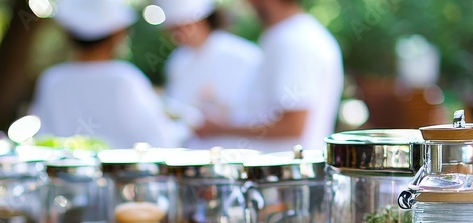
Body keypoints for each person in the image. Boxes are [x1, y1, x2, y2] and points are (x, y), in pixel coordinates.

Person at [29, 0, 187, 149]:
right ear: (117, 33)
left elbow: (43, 138)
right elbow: (161, 139)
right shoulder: (124, 78)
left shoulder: (52, 79)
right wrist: (186, 125)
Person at [195, 0, 343, 152]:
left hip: (284, 172)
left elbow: (293, 125)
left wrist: (220, 129)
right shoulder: (293, 34)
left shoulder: (291, 40)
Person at [157, 0, 263, 149]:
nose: (179, 34)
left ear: (203, 21)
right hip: (193, 150)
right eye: (174, 29)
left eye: (185, 26)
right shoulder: (177, 61)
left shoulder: (242, 55)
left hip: (236, 148)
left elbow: (256, 110)